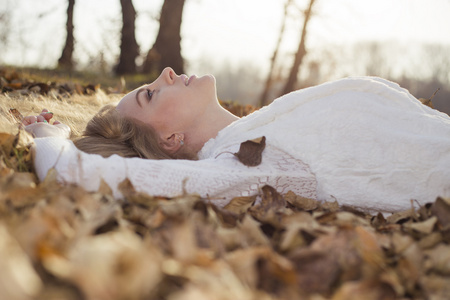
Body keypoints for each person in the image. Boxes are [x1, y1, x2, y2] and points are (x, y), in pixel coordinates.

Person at [26, 68, 450, 213]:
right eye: (151, 93)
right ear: (171, 140)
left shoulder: (264, 126)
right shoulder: (247, 163)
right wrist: (51, 135)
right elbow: (75, 172)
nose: (167, 73)